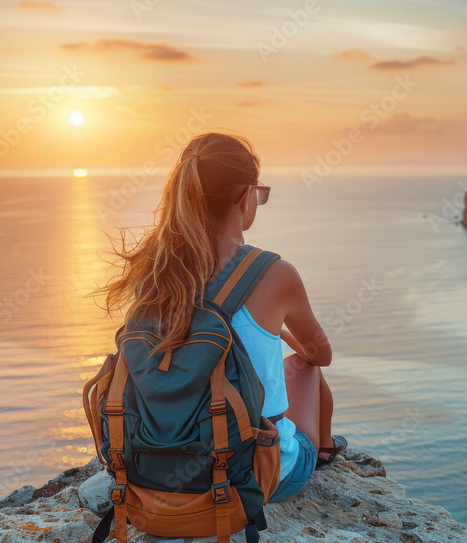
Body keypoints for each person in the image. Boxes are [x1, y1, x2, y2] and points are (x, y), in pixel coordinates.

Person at [98, 131, 347, 504]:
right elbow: (320, 355)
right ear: (247, 195)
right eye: (260, 193)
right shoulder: (276, 274)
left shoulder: (156, 269)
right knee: (307, 368)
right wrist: (278, 335)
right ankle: (324, 449)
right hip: (254, 474)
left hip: (155, 472)